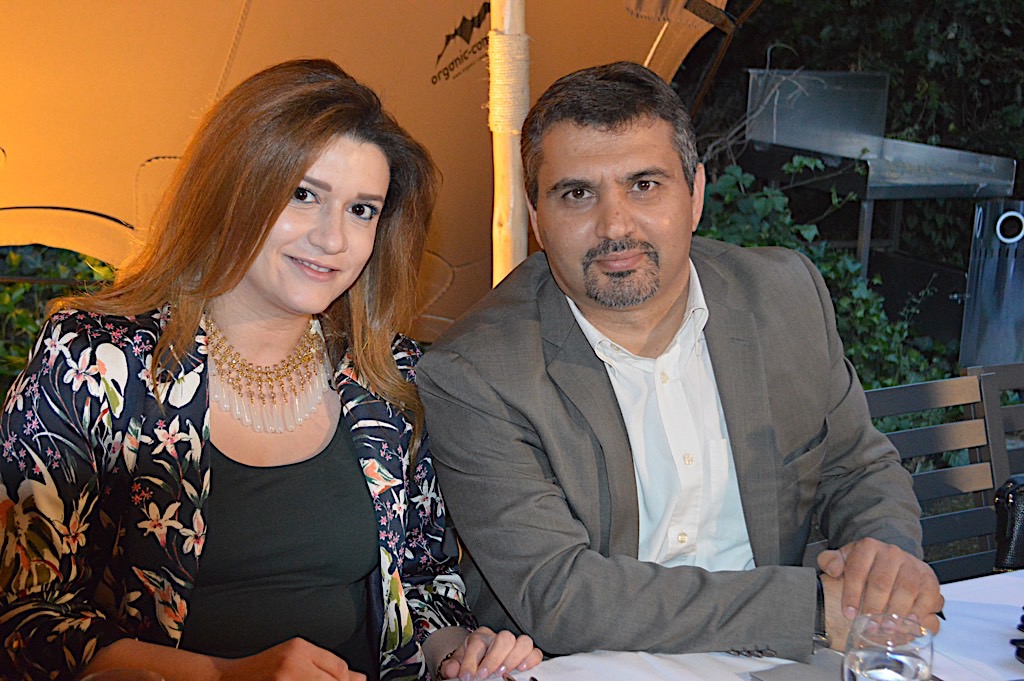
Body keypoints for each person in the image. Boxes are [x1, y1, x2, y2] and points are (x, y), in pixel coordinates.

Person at [0, 59, 540, 681]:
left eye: (362, 210)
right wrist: (224, 676)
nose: (333, 239)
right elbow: (26, 619)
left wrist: (460, 653)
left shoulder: (393, 378)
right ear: (233, 190)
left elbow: (422, 587)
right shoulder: (95, 360)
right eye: (303, 195)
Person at [416, 61, 943, 662]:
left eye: (644, 185)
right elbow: (563, 596)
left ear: (695, 195)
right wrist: (813, 609)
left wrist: (884, 565)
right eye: (577, 194)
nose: (614, 225)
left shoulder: (785, 296)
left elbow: (858, 468)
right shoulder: (476, 373)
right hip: (594, 669)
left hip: (784, 661)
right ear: (536, 219)